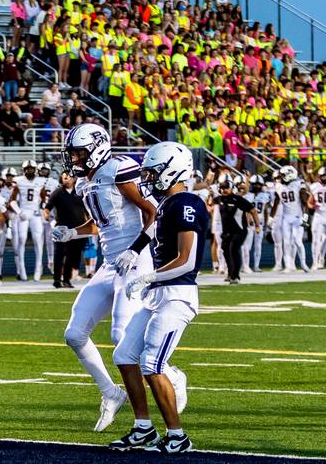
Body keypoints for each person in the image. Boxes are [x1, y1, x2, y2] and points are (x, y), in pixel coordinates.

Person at [52, 123, 172, 432]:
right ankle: (111, 393)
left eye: (79, 154)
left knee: (122, 337)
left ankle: (170, 375)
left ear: (96, 148)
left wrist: (135, 249)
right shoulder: (86, 183)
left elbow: (153, 212)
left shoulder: (120, 169)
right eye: (73, 154)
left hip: (135, 260)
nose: (75, 160)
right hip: (110, 264)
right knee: (74, 334)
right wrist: (72, 233)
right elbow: (100, 223)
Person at [109, 142, 204, 454]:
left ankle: (177, 436)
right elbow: (151, 235)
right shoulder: (165, 205)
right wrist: (134, 254)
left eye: (153, 171)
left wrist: (147, 275)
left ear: (173, 170)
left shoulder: (186, 202)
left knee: (153, 362)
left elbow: (187, 261)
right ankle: (143, 428)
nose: (148, 178)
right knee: (124, 355)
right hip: (157, 294)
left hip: (177, 295)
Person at [213, 175, 259, 284]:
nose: (223, 190)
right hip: (226, 231)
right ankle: (230, 273)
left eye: (226, 188)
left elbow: (253, 211)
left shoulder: (238, 199)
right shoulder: (219, 199)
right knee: (225, 251)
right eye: (222, 188)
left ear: (232, 188)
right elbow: (210, 203)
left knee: (233, 249)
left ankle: (235, 276)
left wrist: (257, 225)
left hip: (239, 230)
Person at [46, 171, 87, 288]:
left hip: (77, 228)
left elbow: (87, 210)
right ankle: (57, 280)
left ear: (74, 179)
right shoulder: (57, 193)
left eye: (69, 177)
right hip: (61, 227)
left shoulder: (80, 192)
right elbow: (47, 209)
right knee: (59, 254)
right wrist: (51, 221)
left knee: (72, 254)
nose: (66, 180)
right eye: (64, 178)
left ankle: (67, 280)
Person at [8, 160, 47, 281]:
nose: (29, 171)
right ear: (23, 170)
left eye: (31, 168)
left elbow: (44, 199)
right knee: (21, 240)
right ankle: (22, 271)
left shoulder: (40, 181)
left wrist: (43, 209)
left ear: (35, 170)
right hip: (23, 212)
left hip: (35, 213)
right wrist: (19, 212)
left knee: (38, 241)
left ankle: (38, 270)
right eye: (27, 169)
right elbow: (12, 200)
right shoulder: (19, 181)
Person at [270, 166, 309, 273]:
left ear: (289, 175)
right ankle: (288, 266)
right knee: (286, 242)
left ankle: (303, 263)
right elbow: (276, 203)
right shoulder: (278, 187)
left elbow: (305, 203)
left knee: (297, 241)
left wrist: (305, 217)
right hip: (286, 218)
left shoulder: (298, 184)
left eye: (283, 176)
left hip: (297, 217)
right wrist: (271, 218)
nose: (280, 178)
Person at [244, 175, 271, 273]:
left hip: (260, 222)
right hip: (249, 224)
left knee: (258, 245)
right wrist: (248, 220)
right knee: (247, 246)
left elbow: (265, 211)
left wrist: (266, 223)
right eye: (255, 184)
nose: (257, 186)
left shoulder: (265, 195)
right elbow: (245, 210)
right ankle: (246, 266)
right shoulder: (246, 195)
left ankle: (256, 266)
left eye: (259, 185)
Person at [308, 168, 326, 270]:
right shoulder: (315, 186)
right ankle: (315, 262)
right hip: (319, 216)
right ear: (320, 176)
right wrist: (312, 206)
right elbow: (309, 202)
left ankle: (321, 259)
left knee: (324, 240)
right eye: (324, 176)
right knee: (316, 240)